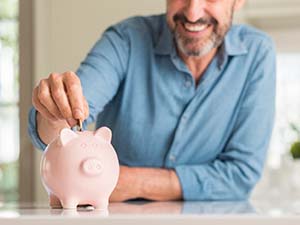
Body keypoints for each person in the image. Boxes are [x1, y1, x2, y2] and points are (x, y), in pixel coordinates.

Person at [28, 0, 276, 201]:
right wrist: (54, 112)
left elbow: (240, 175)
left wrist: (129, 182)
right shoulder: (126, 39)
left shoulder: (257, 53)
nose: (192, 12)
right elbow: (65, 125)